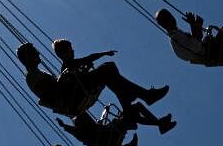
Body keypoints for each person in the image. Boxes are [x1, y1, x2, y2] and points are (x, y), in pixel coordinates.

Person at [16, 41, 168, 116]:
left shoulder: (36, 74)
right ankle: (144, 97)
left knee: (110, 73)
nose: (38, 54)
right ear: (27, 56)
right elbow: (52, 92)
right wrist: (66, 77)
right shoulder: (33, 76)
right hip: (72, 95)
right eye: (35, 52)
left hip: (73, 93)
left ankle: (136, 102)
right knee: (108, 69)